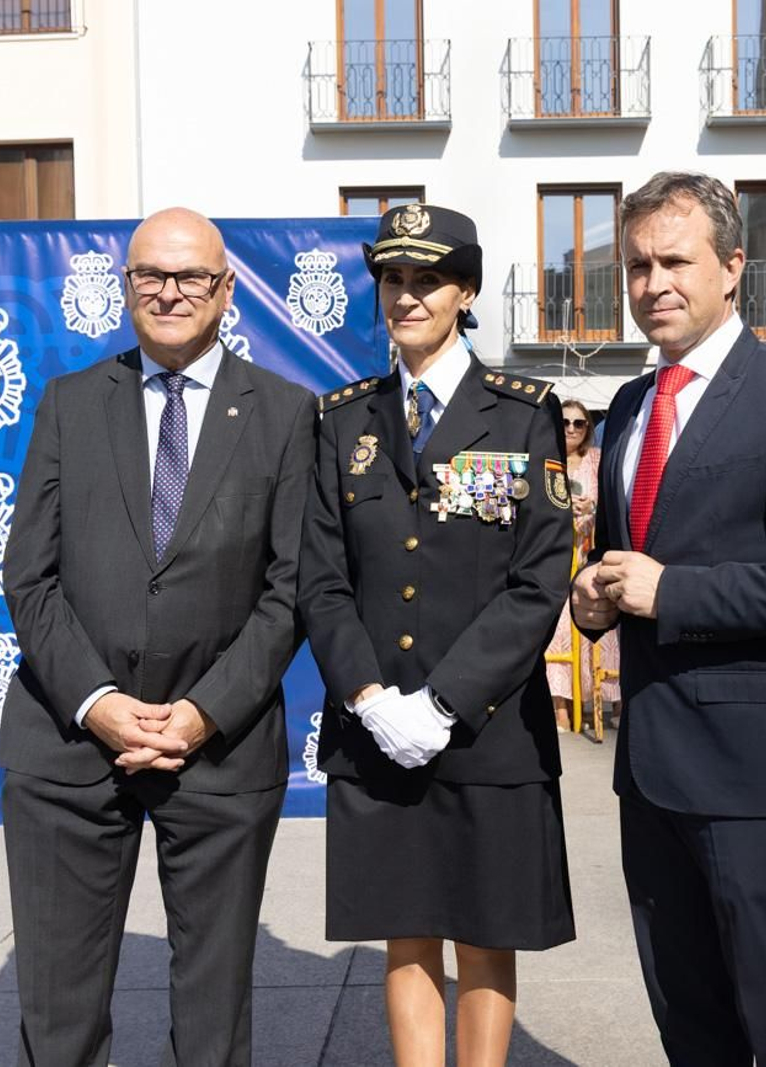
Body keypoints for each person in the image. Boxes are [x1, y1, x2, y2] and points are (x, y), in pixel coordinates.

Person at [570, 171, 766, 1067]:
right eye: (637, 266)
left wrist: (674, 593)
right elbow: (634, 559)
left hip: (755, 773)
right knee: (688, 1018)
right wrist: (594, 598)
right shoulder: (631, 404)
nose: (653, 283)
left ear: (734, 266)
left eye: (675, 261)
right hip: (650, 767)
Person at [0, 208, 316, 1065]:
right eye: (150, 274)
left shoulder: (287, 413)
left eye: (190, 276)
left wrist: (202, 713)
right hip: (69, 743)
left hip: (219, 748)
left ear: (226, 289)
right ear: (126, 285)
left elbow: (292, 588)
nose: (169, 292)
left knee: (214, 1019)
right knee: (58, 1013)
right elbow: (28, 576)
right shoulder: (69, 403)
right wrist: (97, 702)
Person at [298, 203, 575, 1067]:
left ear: (466, 292)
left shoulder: (523, 413)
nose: (407, 296)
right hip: (377, 727)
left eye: (428, 279)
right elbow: (321, 578)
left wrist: (444, 702)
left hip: (488, 728)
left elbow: (539, 577)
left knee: (486, 933)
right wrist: (371, 698)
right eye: (394, 279)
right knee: (406, 931)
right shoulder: (343, 418)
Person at [545, 398, 620, 731]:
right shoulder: (546, 461)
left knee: (603, 631)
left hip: (590, 556)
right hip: (556, 557)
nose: (572, 429)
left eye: (579, 423)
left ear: (588, 427)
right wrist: (564, 511)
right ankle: (559, 706)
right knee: (558, 633)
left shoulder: (598, 460)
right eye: (564, 422)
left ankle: (611, 702)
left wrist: (594, 507)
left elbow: (615, 501)